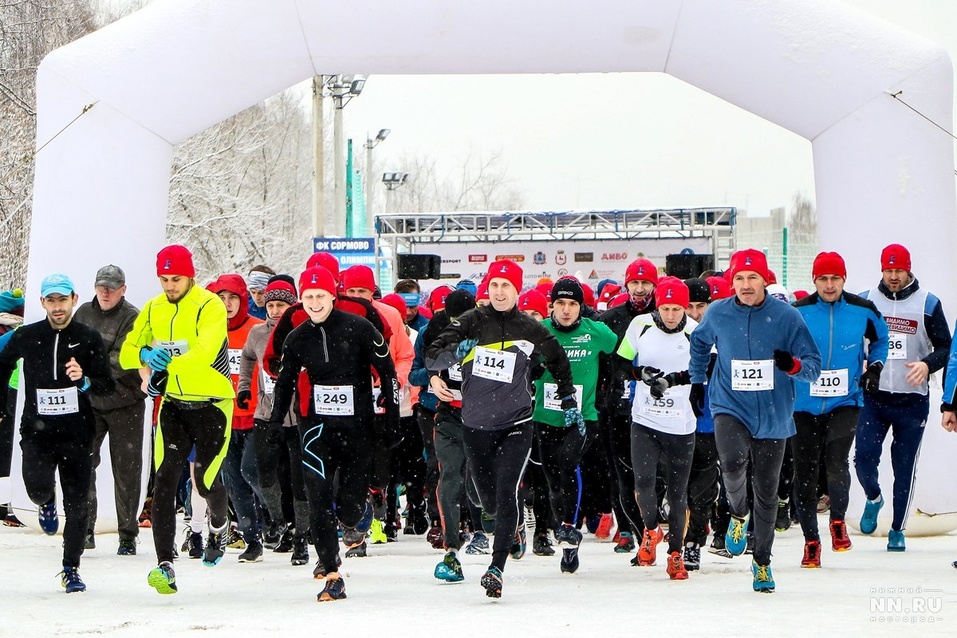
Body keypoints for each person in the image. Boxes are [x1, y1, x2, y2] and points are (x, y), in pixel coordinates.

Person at [426, 259, 581, 599]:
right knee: (485, 500)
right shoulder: (470, 322)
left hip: (517, 423)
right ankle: (507, 526)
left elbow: (558, 360)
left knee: (507, 490)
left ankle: (496, 568)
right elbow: (433, 354)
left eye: (506, 286)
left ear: (516, 291)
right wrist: (450, 360)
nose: (499, 292)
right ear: (488, 289)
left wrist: (568, 399)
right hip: (475, 424)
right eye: (494, 285)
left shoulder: (528, 327)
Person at [689, 249, 821, 593]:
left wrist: (791, 365)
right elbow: (700, 343)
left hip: (774, 413)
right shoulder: (718, 312)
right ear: (731, 282)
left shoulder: (787, 317)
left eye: (752, 278)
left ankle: (761, 562)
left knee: (767, 489)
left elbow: (813, 366)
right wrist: (697, 380)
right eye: (739, 279)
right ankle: (737, 511)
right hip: (729, 404)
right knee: (731, 463)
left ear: (765, 280)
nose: (746, 285)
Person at [267, 266, 401, 602]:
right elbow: (283, 384)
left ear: (332, 296)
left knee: (350, 509)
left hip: (358, 428)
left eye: (320, 296)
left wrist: (392, 416)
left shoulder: (359, 328)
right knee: (318, 499)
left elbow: (387, 372)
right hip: (317, 429)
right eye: (308, 297)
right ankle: (331, 571)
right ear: (302, 299)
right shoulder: (297, 337)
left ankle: (354, 520)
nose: (314, 303)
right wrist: (273, 423)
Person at [120, 245, 236, 594]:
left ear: (191, 277)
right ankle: (165, 565)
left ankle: (219, 525)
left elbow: (204, 351)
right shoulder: (154, 307)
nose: (170, 286)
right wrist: (143, 353)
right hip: (173, 404)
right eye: (165, 279)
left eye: (176, 279)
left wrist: (164, 365)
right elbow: (126, 351)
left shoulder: (209, 305)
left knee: (203, 481)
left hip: (213, 403)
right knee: (165, 480)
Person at [0, 274, 114, 592]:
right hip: (37, 430)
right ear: (42, 303)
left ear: (74, 300)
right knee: (36, 488)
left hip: (77, 432)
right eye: (51, 300)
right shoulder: (27, 335)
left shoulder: (88, 338)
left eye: (62, 300)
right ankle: (46, 500)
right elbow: (3, 363)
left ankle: (71, 568)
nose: (57, 306)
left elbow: (107, 384)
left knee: (78, 504)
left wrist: (86, 379)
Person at [792, 252, 888, 567]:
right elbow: (782, 347)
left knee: (836, 461)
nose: (829, 285)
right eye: (823, 279)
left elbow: (881, 339)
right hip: (803, 405)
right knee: (804, 471)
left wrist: (874, 367)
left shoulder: (863, 310)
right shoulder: (799, 312)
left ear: (844, 279)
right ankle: (810, 542)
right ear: (814, 280)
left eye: (835, 278)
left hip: (845, 401)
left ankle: (837, 521)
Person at [857, 244, 951, 551]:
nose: (894, 277)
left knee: (904, 466)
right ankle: (873, 497)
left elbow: (945, 348)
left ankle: (898, 528)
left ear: (908, 270)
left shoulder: (928, 303)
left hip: (912, 399)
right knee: (864, 457)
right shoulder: (867, 300)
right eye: (888, 270)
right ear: (881, 270)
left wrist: (926, 364)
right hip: (875, 396)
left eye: (899, 270)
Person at [532, 277, 617, 573]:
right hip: (545, 418)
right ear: (551, 305)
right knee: (553, 481)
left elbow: (617, 349)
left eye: (572, 304)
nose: (566, 311)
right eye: (560, 304)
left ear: (581, 307)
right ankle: (569, 541)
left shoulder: (596, 332)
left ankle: (569, 526)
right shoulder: (538, 331)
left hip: (583, 417)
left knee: (568, 463)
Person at [616, 277, 697, 580]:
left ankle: (676, 553)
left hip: (680, 424)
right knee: (644, 484)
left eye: (677, 308)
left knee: (677, 493)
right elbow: (620, 362)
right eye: (665, 307)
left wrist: (673, 380)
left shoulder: (695, 332)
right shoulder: (640, 325)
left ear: (685, 308)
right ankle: (651, 531)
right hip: (645, 421)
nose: (671, 314)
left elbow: (705, 370)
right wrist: (639, 372)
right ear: (657, 305)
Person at [73, 265, 147, 556]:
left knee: (127, 471)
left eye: (112, 287)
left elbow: (124, 358)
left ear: (123, 289)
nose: (105, 291)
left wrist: (91, 365)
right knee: (82, 465)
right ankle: (84, 528)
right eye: (101, 286)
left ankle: (127, 534)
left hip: (126, 403)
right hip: (89, 403)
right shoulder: (82, 313)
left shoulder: (133, 317)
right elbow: (71, 346)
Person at [239, 278, 311, 566]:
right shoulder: (257, 333)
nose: (275, 310)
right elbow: (246, 358)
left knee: (299, 481)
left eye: (281, 304)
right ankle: (278, 520)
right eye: (270, 305)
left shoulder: (303, 330)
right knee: (261, 471)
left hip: (299, 416)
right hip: (267, 414)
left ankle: (301, 539)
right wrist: (245, 386)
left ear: (292, 304)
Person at [598, 258, 659, 554]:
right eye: (634, 283)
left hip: (656, 409)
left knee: (651, 474)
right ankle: (629, 531)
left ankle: (652, 528)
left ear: (654, 285)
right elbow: (598, 361)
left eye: (645, 283)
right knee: (621, 473)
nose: (639, 289)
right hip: (617, 409)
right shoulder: (610, 318)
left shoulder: (665, 315)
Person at [208, 273, 265, 562]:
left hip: (257, 414)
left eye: (233, 298)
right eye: (222, 298)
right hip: (224, 415)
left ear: (243, 300)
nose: (228, 304)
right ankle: (252, 538)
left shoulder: (257, 329)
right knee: (234, 481)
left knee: (252, 471)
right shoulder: (209, 331)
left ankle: (277, 519)